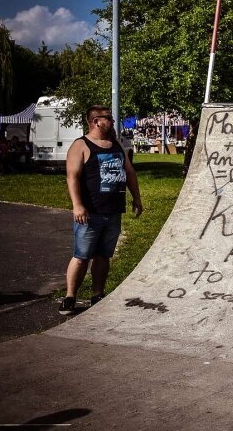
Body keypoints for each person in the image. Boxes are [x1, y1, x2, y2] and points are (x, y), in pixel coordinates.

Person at [59, 105, 143, 315]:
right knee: (81, 256)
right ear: (96, 121)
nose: (112, 122)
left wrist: (137, 198)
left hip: (113, 211)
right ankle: (70, 296)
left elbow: (130, 173)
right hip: (90, 213)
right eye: (109, 118)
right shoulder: (81, 145)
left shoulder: (116, 145)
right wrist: (77, 205)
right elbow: (72, 176)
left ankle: (97, 294)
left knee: (103, 256)